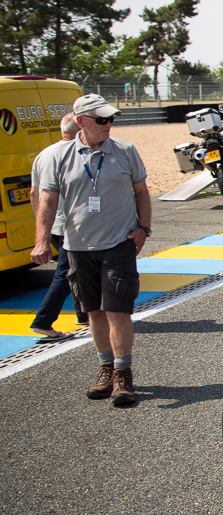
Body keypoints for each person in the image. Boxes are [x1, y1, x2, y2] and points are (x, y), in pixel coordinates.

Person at [31, 95, 151, 406]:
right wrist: (42, 240)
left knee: (118, 311)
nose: (108, 125)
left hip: (118, 244)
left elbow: (141, 191)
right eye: (101, 120)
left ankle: (124, 375)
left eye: (111, 119)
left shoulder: (125, 151)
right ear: (81, 121)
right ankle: (105, 369)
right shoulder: (59, 156)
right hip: (77, 246)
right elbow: (47, 201)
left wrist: (144, 228)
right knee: (94, 312)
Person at [29, 114, 88, 340]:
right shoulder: (76, 152)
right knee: (66, 272)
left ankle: (83, 314)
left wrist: (42, 224)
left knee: (76, 269)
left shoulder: (44, 154)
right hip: (73, 222)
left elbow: (36, 193)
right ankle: (43, 320)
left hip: (53, 223)